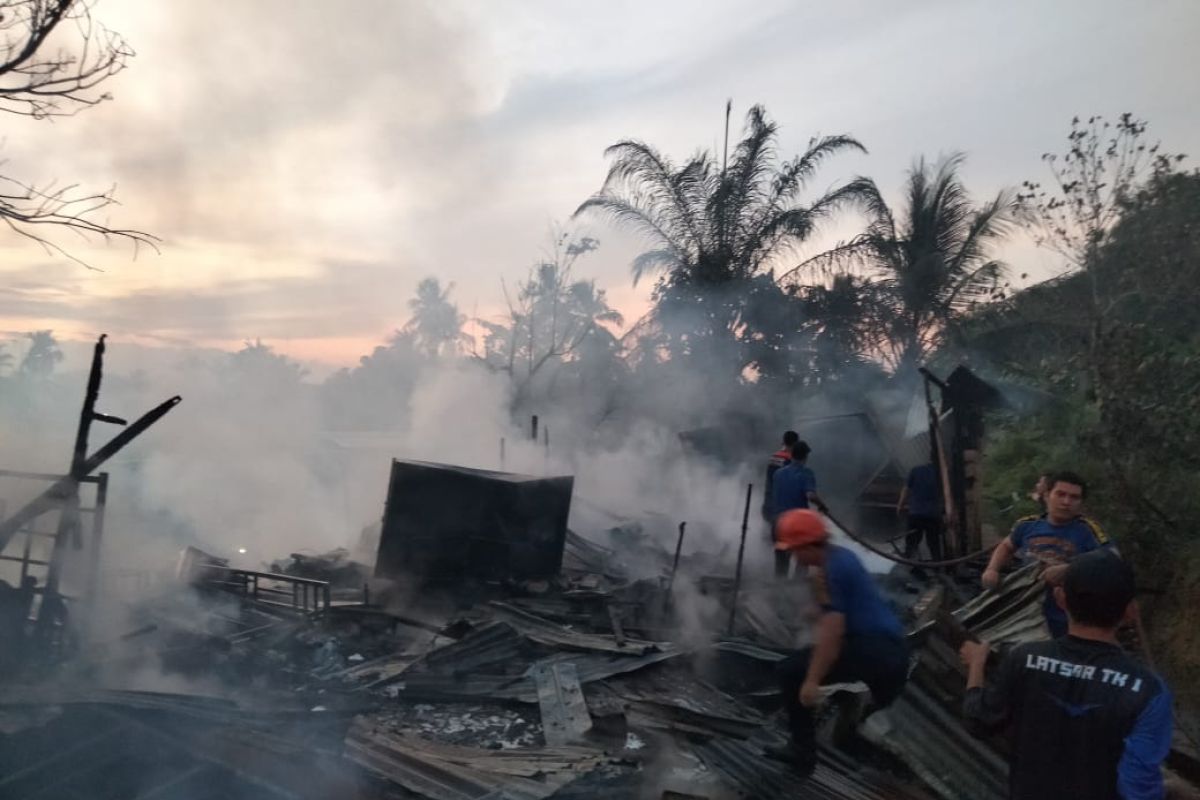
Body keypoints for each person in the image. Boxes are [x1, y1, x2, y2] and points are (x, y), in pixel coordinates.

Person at [960, 551, 1171, 800]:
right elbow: (1138, 788)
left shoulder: (1023, 659)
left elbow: (978, 721)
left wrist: (976, 665)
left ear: (1060, 599)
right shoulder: (1149, 691)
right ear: (1131, 612)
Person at [772, 509, 909, 776]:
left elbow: (833, 634)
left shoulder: (836, 568)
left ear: (807, 545)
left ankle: (802, 753)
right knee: (860, 730)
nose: (794, 557)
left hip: (876, 651)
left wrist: (812, 680)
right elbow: (840, 607)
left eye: (794, 550)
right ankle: (874, 768)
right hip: (889, 653)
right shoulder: (840, 558)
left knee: (790, 671)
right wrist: (816, 609)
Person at [981, 470, 1112, 637]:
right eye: (1060, 494)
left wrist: (1068, 569)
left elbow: (1110, 559)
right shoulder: (1027, 525)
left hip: (1069, 617)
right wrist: (992, 569)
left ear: (1081, 502)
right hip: (1024, 613)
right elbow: (1006, 546)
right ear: (1047, 495)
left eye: (1074, 497)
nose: (1066, 502)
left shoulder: (1088, 530)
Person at [770, 440, 828, 578]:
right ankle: (798, 591)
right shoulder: (806, 473)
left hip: (779, 524)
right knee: (803, 559)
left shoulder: (777, 474)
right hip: (798, 526)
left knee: (781, 563)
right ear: (805, 456)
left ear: (791, 455)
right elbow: (810, 495)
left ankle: (779, 593)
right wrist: (822, 505)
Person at [763, 431, 799, 576]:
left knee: (780, 547)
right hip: (785, 510)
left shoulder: (774, 457)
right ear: (795, 443)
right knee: (791, 546)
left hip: (771, 506)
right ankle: (788, 585)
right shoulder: (790, 461)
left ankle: (779, 580)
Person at [896, 461, 944, 563]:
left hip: (916, 513)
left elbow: (906, 489)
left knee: (912, 542)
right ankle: (937, 566)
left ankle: (909, 563)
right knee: (933, 543)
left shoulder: (916, 470)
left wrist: (900, 505)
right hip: (933, 515)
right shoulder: (943, 473)